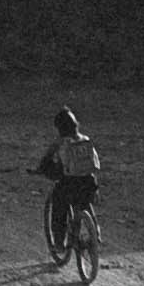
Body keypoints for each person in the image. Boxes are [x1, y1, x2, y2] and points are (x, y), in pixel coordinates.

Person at [35, 109, 101, 265]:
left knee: (59, 208)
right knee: (86, 203)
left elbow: (46, 160)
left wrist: (40, 170)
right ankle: (96, 233)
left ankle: (59, 243)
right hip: (89, 183)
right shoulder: (85, 140)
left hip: (69, 185)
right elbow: (95, 164)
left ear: (60, 128)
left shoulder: (61, 142)